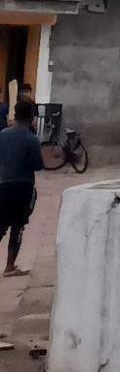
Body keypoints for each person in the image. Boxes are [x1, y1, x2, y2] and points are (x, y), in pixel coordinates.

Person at [0, 98, 40, 277]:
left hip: (3, 184)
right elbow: (38, 165)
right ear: (31, 117)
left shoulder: (3, 134)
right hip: (23, 187)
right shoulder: (31, 139)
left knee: (0, 225)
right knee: (17, 226)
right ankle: (9, 266)